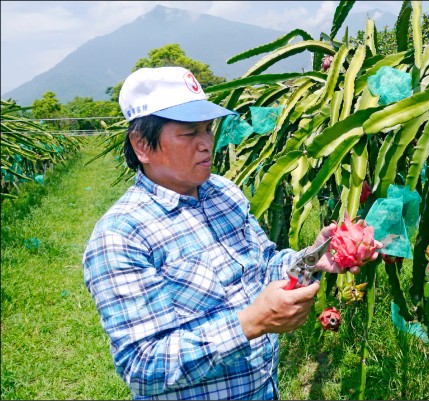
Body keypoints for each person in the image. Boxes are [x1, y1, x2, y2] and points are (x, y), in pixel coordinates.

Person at [82, 66, 360, 400]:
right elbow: (143, 368)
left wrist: (312, 258)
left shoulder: (223, 192)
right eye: (189, 133)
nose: (206, 144)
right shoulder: (122, 236)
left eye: (208, 129)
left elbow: (264, 264)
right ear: (142, 145)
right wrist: (251, 323)